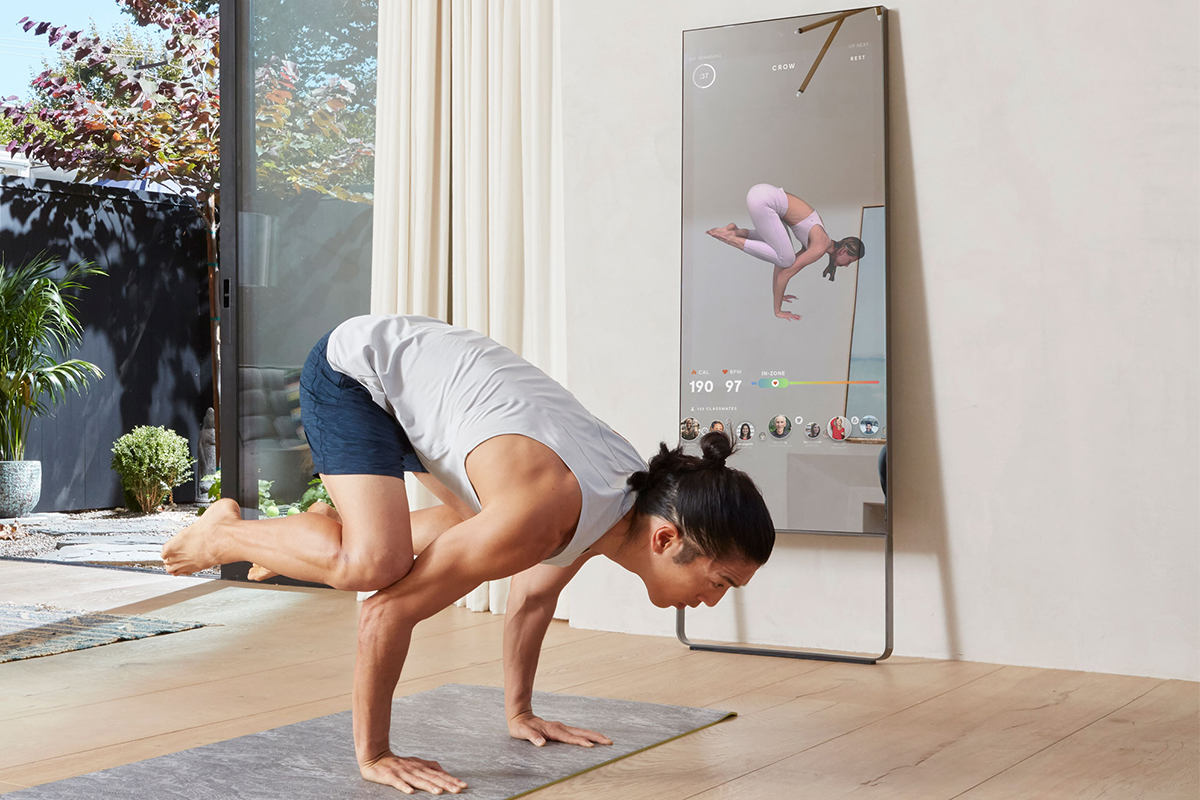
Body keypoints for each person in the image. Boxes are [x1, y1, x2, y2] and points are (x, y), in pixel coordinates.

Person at [162, 315, 774, 795]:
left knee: (464, 529)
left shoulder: (624, 501)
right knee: (375, 567)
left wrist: (521, 714)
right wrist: (375, 754)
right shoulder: (544, 513)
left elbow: (534, 596)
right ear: (666, 539)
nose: (714, 599)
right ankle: (226, 533)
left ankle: (320, 536)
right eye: (721, 581)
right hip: (360, 370)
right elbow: (385, 611)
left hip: (439, 387)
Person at [706, 184, 864, 321]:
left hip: (763, 197)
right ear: (843, 251)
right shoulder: (819, 246)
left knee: (782, 254)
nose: (847, 265)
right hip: (764, 201)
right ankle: (731, 238)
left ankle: (737, 232)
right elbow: (785, 273)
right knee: (786, 258)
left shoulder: (817, 241)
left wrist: (778, 294)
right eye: (850, 261)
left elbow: (779, 266)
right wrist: (778, 310)